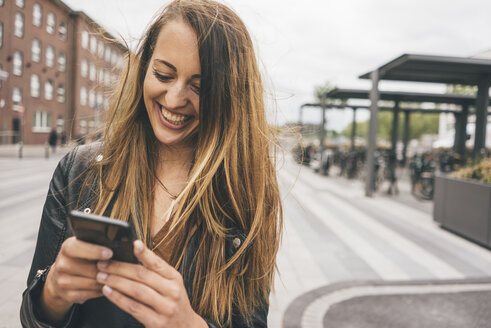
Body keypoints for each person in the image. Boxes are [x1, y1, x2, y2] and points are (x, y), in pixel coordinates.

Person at [20, 1, 283, 327]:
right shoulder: (79, 170)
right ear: (144, 69)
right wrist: (54, 293)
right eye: (163, 74)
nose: (174, 99)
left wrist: (189, 324)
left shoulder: (248, 193)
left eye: (199, 87)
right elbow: (32, 317)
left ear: (230, 96)